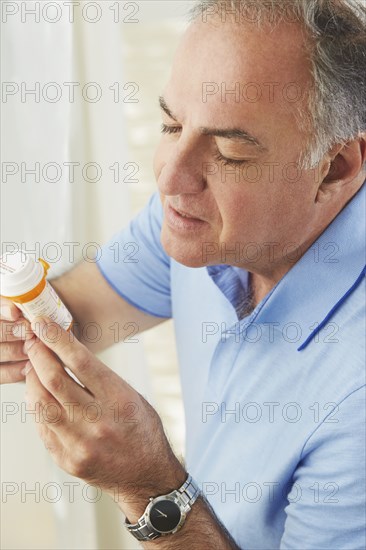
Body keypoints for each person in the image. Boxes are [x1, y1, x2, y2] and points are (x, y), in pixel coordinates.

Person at [1, 0, 365, 548]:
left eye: (228, 154)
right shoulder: (202, 217)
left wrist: (150, 490)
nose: (170, 179)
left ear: (333, 169)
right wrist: (22, 323)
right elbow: (79, 313)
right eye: (171, 124)